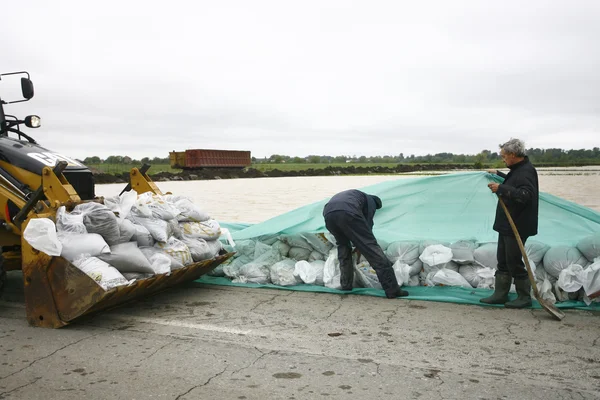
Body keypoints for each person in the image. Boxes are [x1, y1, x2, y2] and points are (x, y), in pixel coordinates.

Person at [481, 138, 539, 308]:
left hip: (518, 224)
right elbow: (515, 182)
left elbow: (525, 195)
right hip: (507, 224)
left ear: (513, 155)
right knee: (503, 260)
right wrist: (498, 174)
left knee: (514, 261)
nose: (503, 159)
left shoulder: (526, 171)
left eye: (504, 156)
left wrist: (501, 188)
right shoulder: (518, 169)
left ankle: (524, 297)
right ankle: (500, 294)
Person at [323, 189, 408, 298]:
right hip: (347, 211)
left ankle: (346, 284)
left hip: (329, 214)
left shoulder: (357, 196)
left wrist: (359, 243)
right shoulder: (371, 201)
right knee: (373, 250)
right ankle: (392, 290)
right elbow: (367, 225)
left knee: (343, 247)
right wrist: (363, 245)